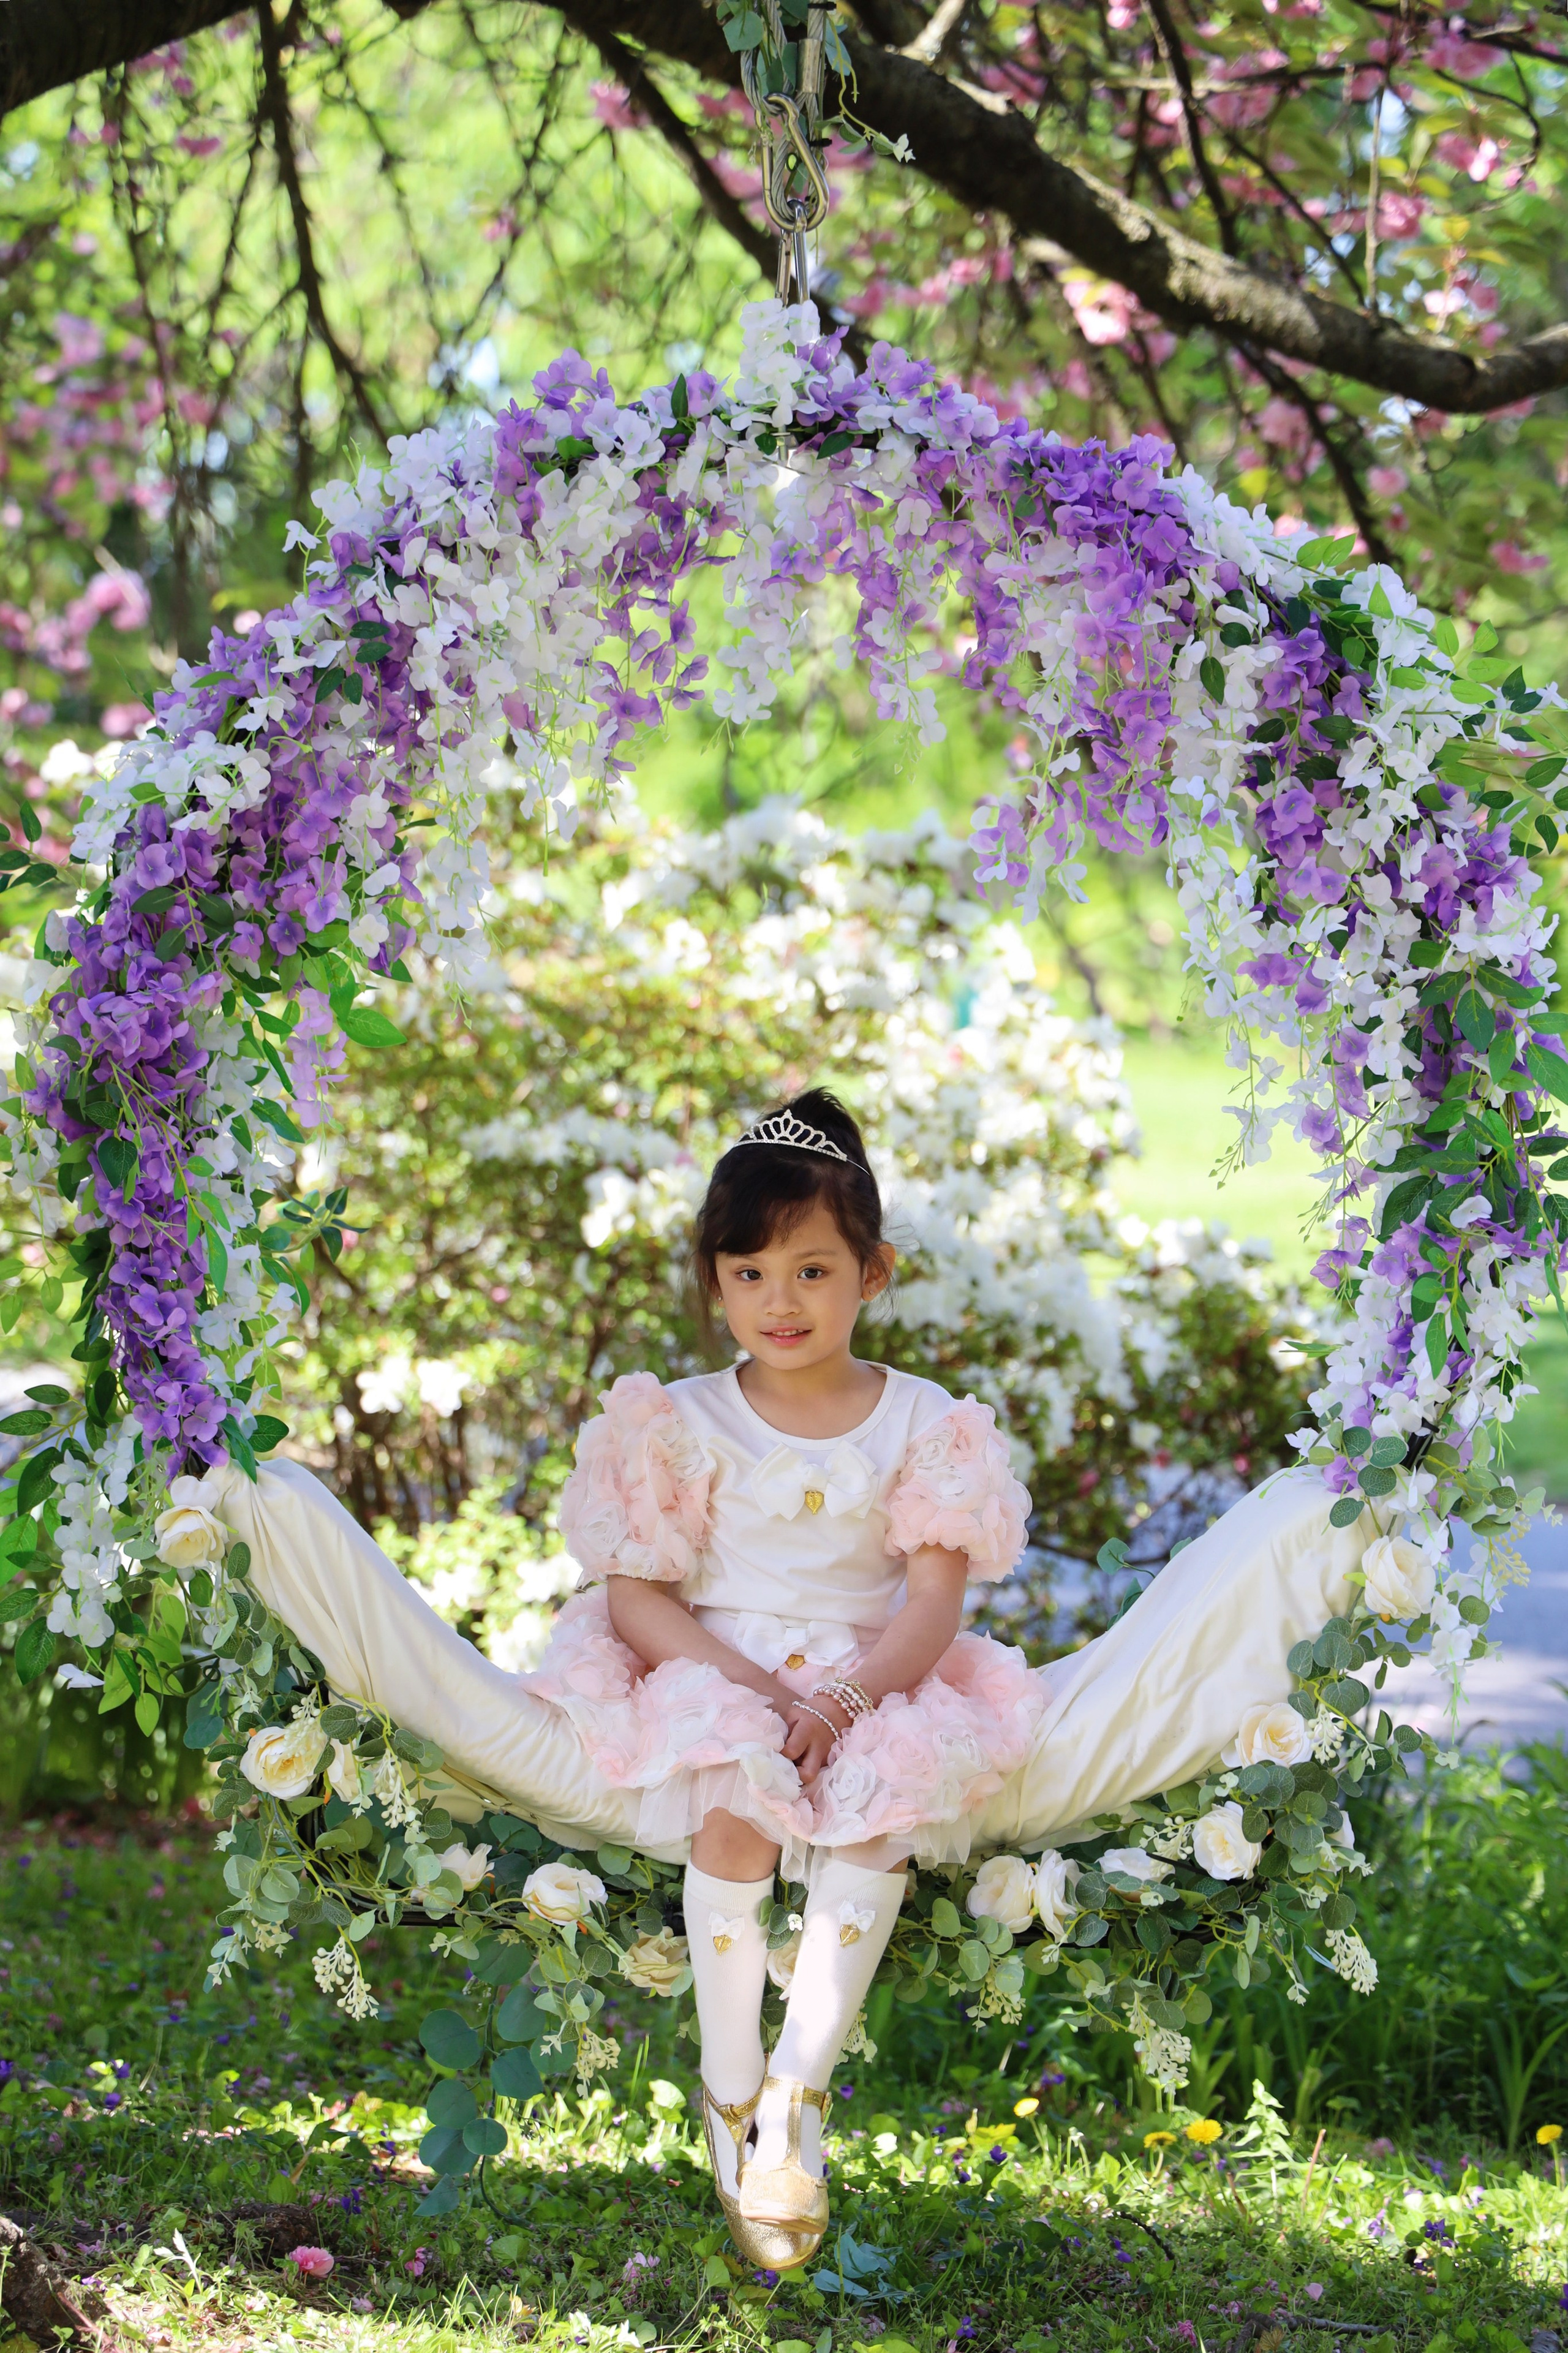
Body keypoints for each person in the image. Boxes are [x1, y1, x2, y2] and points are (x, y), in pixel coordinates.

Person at [530, 1088, 1042, 2268]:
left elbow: (929, 1603)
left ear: (873, 1271)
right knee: (737, 1815)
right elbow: (637, 1593)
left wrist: (845, 1697)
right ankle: (727, 2086)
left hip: (875, 1676)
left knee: (880, 1817)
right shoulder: (683, 1417)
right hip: (720, 1668)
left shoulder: (922, 1420)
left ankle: (796, 2109)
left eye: (813, 1270)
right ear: (714, 1281)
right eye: (750, 1272)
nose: (780, 1301)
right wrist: (759, 1689)